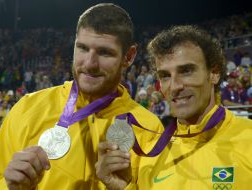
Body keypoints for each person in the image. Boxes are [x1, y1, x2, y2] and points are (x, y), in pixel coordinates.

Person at [0, 3, 163, 190]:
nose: (90, 64)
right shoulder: (29, 108)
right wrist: (9, 187)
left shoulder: (149, 128)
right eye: (83, 48)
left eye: (104, 52)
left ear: (129, 56)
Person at [96, 25, 252, 190]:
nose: (174, 86)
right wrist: (122, 187)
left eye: (186, 71)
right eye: (165, 76)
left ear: (213, 73)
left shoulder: (248, 139)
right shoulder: (148, 156)